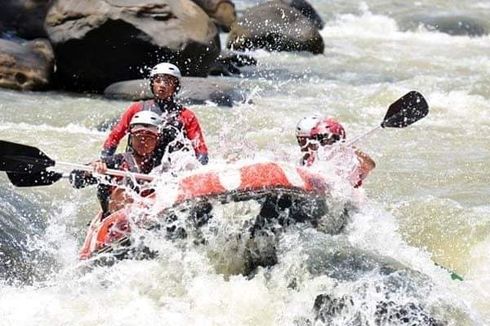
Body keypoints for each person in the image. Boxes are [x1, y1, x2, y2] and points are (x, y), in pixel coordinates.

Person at [101, 62, 209, 166]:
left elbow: (199, 147)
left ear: (176, 87)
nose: (162, 85)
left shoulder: (186, 115)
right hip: (136, 165)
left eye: (167, 82)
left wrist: (201, 170)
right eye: (158, 81)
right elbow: (115, 137)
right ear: (152, 84)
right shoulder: (137, 109)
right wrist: (105, 161)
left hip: (167, 170)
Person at [70, 111, 163, 218]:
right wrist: (90, 170)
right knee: (123, 192)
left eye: (149, 137)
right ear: (131, 138)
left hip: (148, 216)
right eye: (138, 136)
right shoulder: (116, 162)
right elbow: (75, 180)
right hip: (116, 220)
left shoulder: (164, 163)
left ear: (157, 140)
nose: (143, 141)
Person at [295, 115, 376, 187]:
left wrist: (354, 149)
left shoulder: (348, 161)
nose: (303, 146)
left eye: (303, 141)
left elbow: (371, 165)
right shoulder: (308, 160)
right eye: (301, 141)